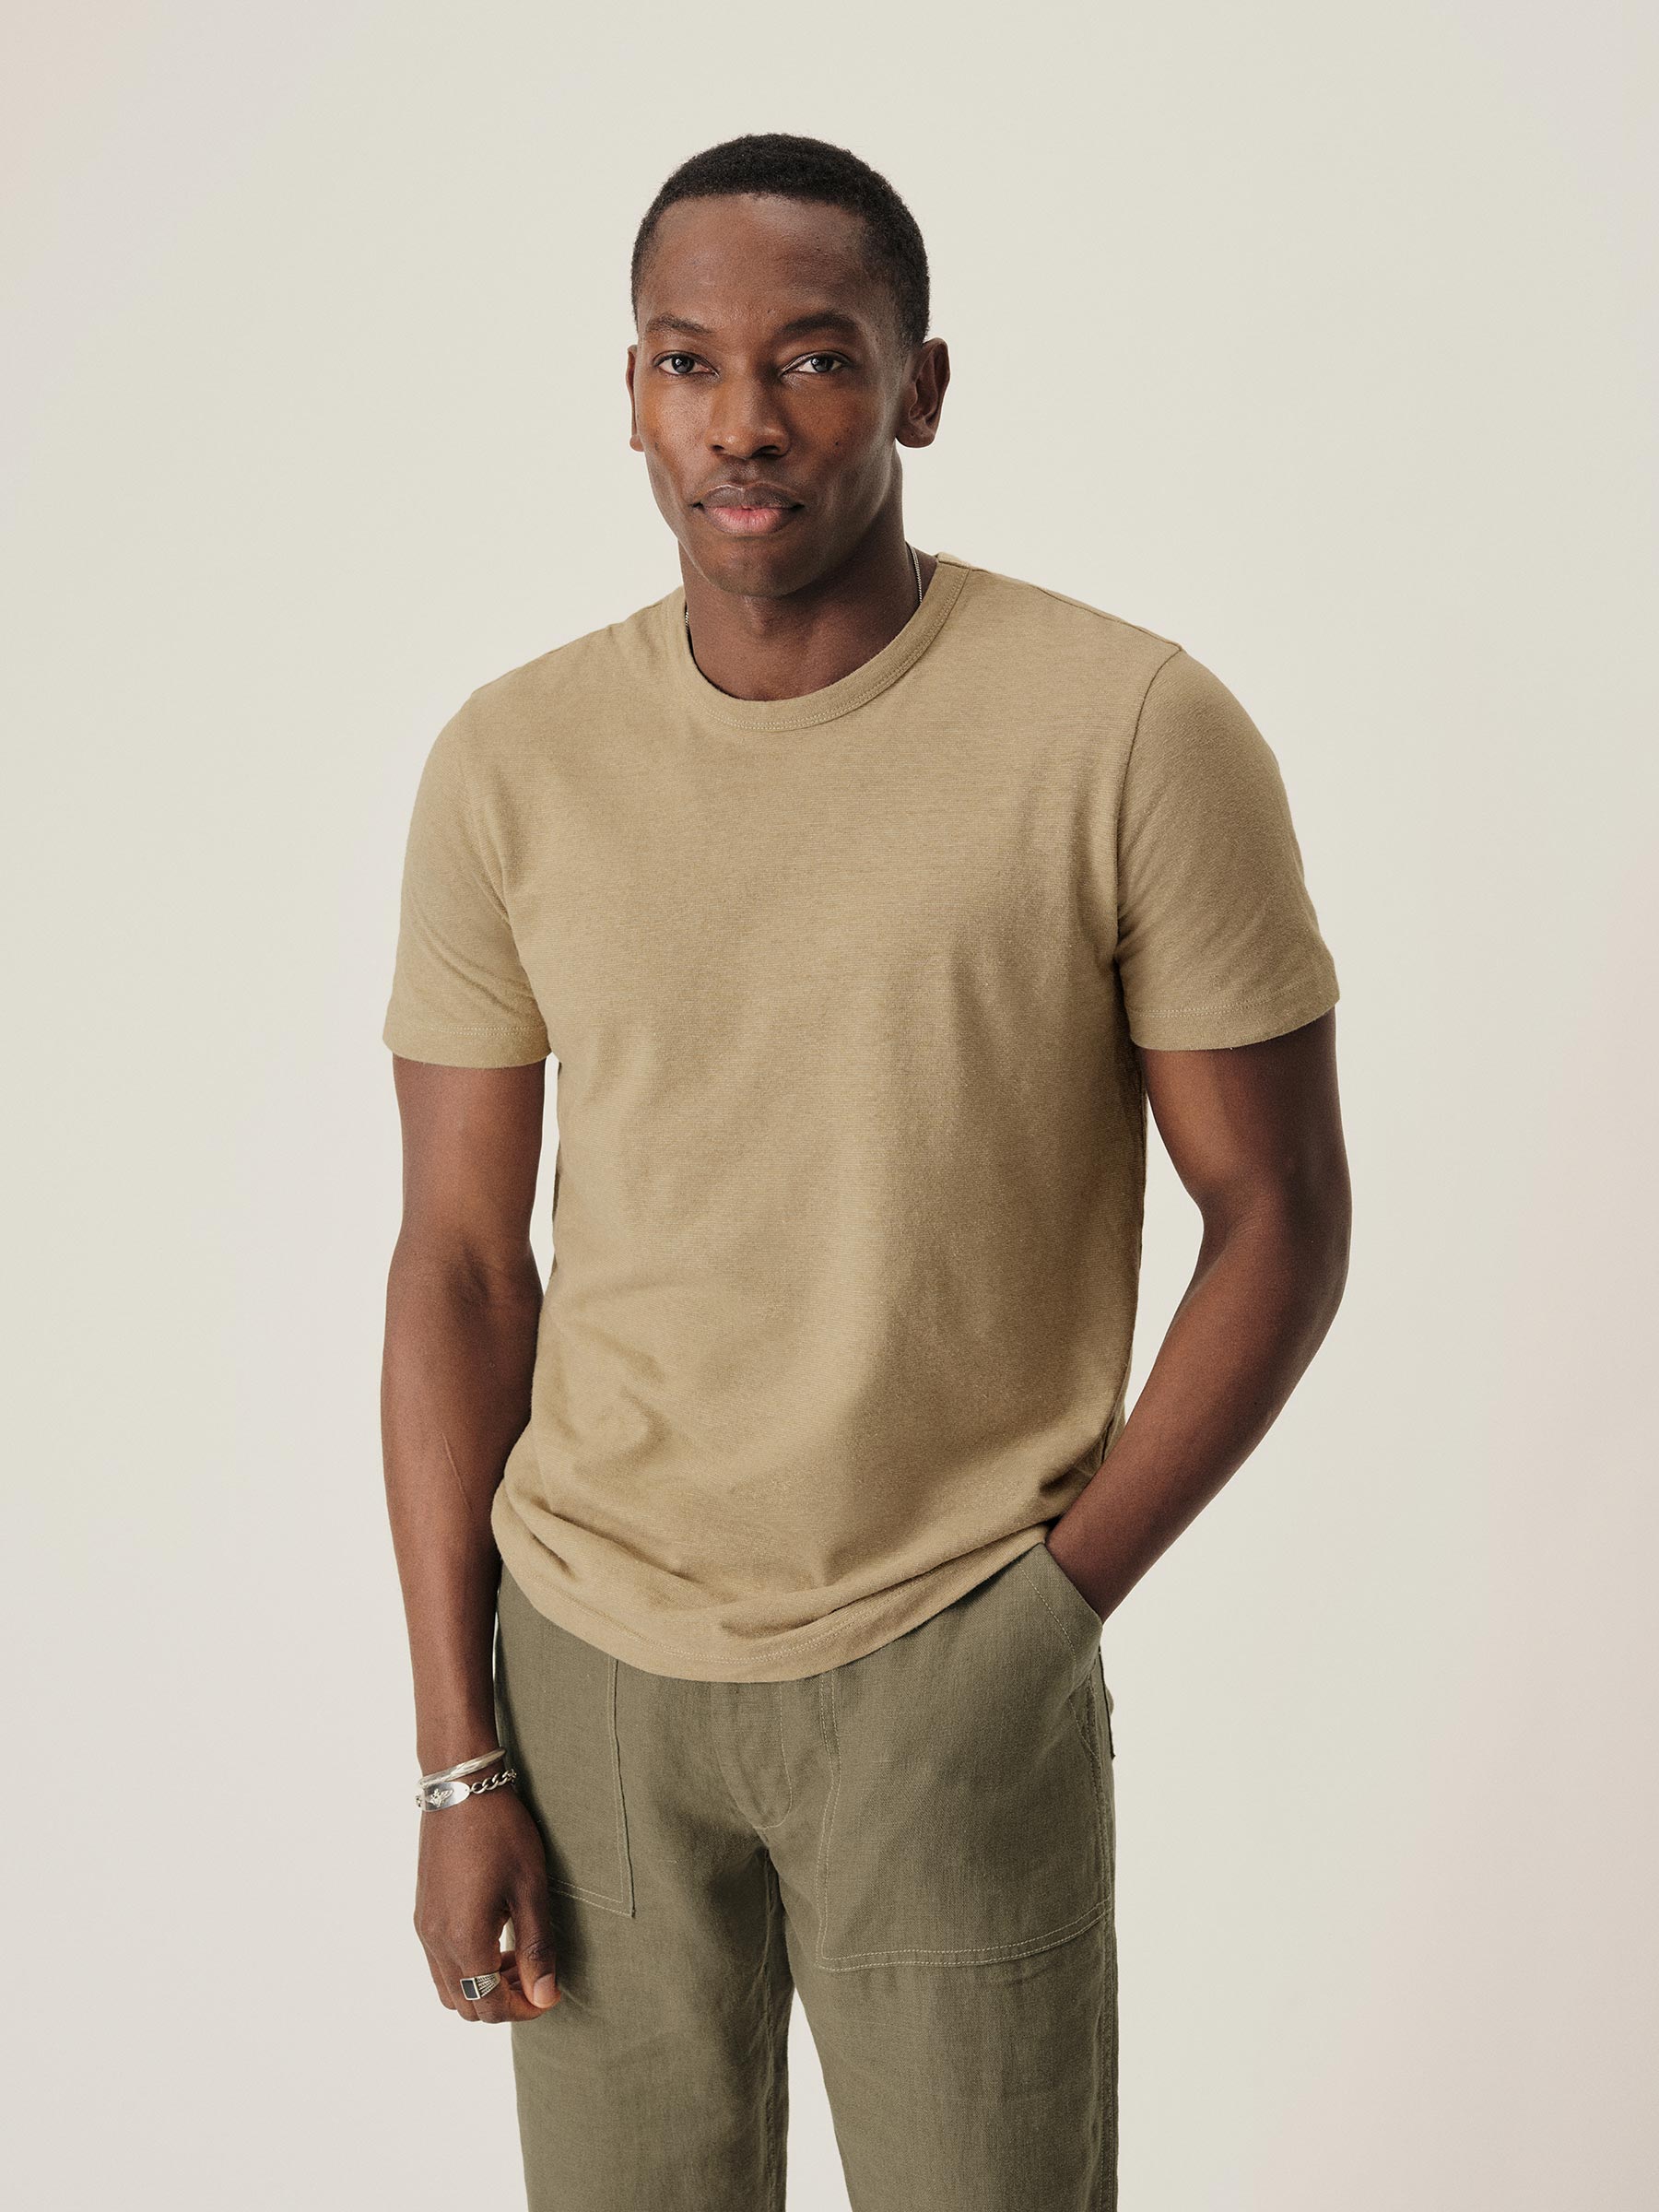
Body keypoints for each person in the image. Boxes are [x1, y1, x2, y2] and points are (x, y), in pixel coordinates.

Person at [380, 130, 1350, 2212]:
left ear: (921, 387)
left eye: (814, 359)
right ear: (632, 395)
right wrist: (460, 1754)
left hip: (946, 1652)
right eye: (688, 362)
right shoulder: (511, 763)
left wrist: (1045, 1615)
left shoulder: (1128, 729)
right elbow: (458, 1263)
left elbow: (1279, 1217)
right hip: (590, 1672)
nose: (744, 421)